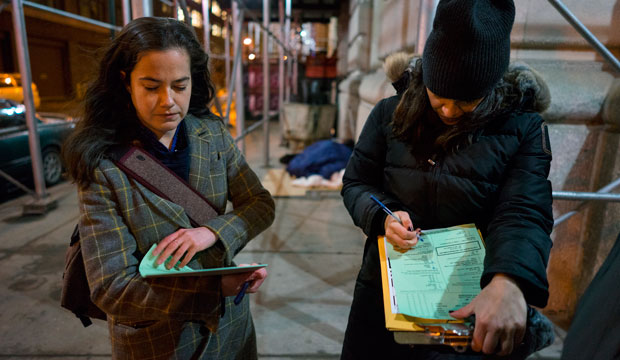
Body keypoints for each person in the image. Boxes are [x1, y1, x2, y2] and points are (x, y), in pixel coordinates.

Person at [340, 0, 555, 359]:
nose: (450, 111)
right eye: (439, 96)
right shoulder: (388, 114)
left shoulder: (522, 128)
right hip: (385, 293)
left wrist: (508, 280)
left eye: (467, 101)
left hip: (469, 297)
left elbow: (524, 210)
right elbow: (357, 183)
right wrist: (382, 215)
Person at [62, 17, 275, 360]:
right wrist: (212, 289)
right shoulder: (103, 165)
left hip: (231, 328)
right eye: (151, 86)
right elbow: (111, 287)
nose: (168, 101)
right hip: (158, 341)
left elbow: (260, 204)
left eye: (180, 85)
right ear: (125, 82)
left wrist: (212, 232)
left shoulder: (211, 133)